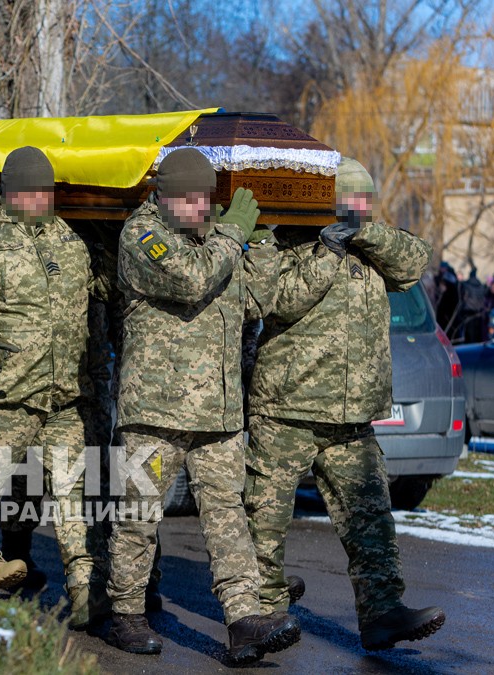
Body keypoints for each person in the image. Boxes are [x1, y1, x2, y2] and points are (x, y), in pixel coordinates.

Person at [104, 149, 298, 663]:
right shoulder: (142, 235)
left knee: (227, 514)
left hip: (218, 408)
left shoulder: (218, 237)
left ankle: (244, 618)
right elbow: (191, 280)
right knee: (139, 514)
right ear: (164, 196)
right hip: (156, 410)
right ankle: (125, 613)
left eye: (205, 199)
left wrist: (260, 241)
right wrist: (234, 233)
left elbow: (255, 300)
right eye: (189, 200)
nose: (199, 209)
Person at [244, 157, 445, 652]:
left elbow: (416, 260)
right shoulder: (286, 239)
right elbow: (276, 300)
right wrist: (328, 249)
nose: (356, 210)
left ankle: (382, 614)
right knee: (264, 519)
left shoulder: (374, 247)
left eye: (364, 203)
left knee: (369, 518)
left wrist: (362, 234)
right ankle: (263, 614)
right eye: (347, 202)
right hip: (286, 408)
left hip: (352, 416)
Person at [0, 146, 105, 628]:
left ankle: (85, 587)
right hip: (2, 393)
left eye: (46, 192)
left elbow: (90, 308)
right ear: (10, 192)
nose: (39, 200)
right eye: (31, 192)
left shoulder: (69, 239)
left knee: (75, 493)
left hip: (65, 394)